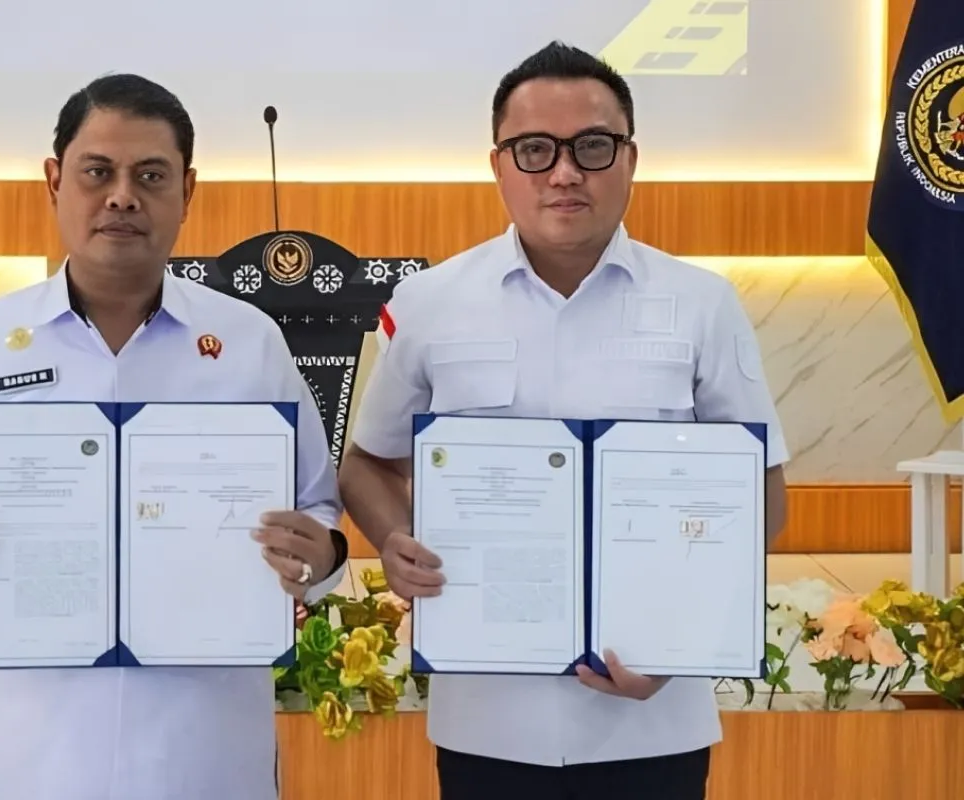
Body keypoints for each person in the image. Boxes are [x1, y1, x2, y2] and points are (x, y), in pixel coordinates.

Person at [0, 74, 349, 800]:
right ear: (54, 180)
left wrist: (321, 553)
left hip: (208, 747)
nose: (122, 196)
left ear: (187, 190)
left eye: (150, 176)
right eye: (98, 172)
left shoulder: (249, 344)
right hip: (37, 748)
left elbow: (318, 506)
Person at [338, 42, 789, 800]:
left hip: (653, 716)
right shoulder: (430, 303)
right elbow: (368, 463)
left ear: (630, 158)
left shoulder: (702, 304)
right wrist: (394, 539)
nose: (565, 172)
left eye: (593, 146)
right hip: (488, 718)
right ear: (499, 165)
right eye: (535, 150)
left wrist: (679, 640)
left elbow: (762, 499)